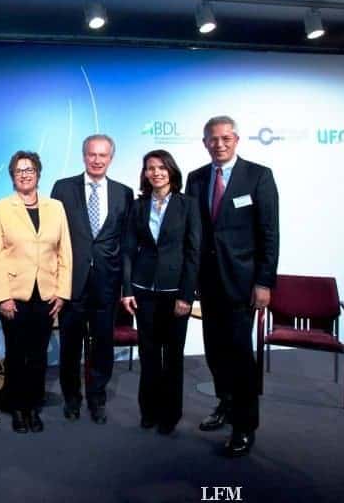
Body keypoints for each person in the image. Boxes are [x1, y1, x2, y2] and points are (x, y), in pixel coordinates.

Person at [186, 115, 279, 457]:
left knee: (240, 357)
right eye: (213, 139)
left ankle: (245, 426)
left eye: (226, 138)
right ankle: (225, 405)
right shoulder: (196, 179)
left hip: (243, 284)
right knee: (215, 351)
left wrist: (264, 282)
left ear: (236, 140)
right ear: (205, 142)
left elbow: (270, 234)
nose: (220, 144)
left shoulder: (258, 176)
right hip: (207, 284)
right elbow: (193, 233)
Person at [0, 150, 72, 433]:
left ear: (38, 173)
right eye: (19, 170)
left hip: (47, 295)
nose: (24, 174)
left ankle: (33, 407)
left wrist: (61, 292)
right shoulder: (0, 208)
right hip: (15, 296)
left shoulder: (55, 207)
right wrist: (2, 297)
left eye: (29, 169)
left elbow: (65, 253)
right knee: (16, 354)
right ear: (12, 176)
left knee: (38, 356)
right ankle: (18, 409)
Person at [50, 134, 133, 423]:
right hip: (71, 283)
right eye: (91, 155)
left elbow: (126, 244)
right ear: (84, 156)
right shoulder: (63, 188)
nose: (97, 160)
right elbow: (53, 238)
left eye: (103, 155)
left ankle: (97, 399)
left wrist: (126, 285)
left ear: (111, 158)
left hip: (107, 285)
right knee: (70, 347)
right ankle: (71, 399)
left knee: (102, 347)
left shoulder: (124, 192)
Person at [121, 150, 201, 435]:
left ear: (171, 171)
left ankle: (171, 414)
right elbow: (128, 250)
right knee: (149, 354)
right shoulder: (138, 205)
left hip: (175, 292)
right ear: (144, 173)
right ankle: (149, 411)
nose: (156, 172)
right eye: (150, 168)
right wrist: (127, 289)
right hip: (144, 291)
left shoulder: (188, 205)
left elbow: (194, 253)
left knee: (173, 356)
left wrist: (187, 296)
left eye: (161, 167)